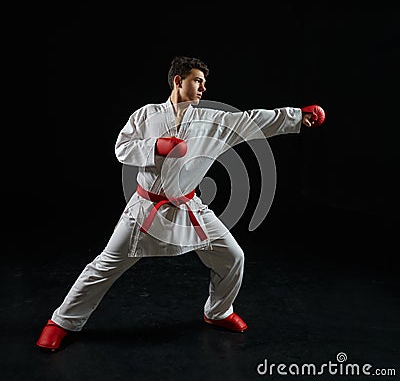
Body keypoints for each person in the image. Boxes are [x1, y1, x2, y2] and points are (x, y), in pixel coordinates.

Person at [36, 56, 325, 351]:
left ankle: (218, 311)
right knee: (103, 266)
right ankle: (61, 322)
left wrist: (296, 115)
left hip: (188, 208)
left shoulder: (212, 121)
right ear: (178, 81)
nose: (203, 87)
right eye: (197, 80)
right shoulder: (146, 116)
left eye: (203, 82)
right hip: (145, 208)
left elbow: (249, 120)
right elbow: (121, 148)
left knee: (232, 256)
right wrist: (155, 147)